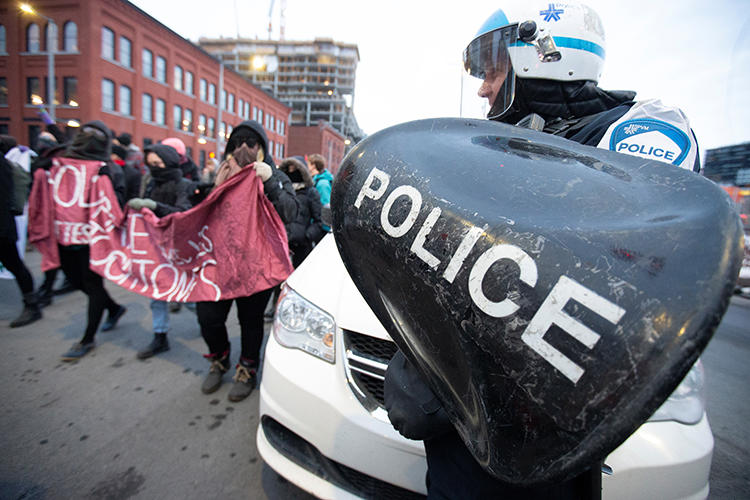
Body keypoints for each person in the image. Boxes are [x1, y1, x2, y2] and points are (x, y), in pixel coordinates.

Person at [384, 3, 700, 499]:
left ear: (541, 52)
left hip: (538, 426)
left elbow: (610, 281)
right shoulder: (494, 147)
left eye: (492, 68)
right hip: (462, 433)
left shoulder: (631, 139)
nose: (484, 86)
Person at [196, 120, 298, 402]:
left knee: (250, 320)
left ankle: (247, 368)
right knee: (208, 318)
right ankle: (219, 358)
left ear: (262, 148)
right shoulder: (222, 174)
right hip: (219, 263)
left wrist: (271, 181)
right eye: (238, 142)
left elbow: (290, 212)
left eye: (251, 143)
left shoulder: (274, 176)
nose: (244, 148)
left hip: (257, 264)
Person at [54, 121, 128, 361]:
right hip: (64, 232)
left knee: (92, 283)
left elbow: (116, 204)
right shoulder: (60, 163)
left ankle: (87, 339)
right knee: (74, 279)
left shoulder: (108, 170)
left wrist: (105, 185)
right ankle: (114, 308)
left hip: (93, 238)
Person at [128, 144, 196, 360]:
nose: (154, 168)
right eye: (151, 164)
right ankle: (160, 336)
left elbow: (183, 212)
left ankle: (208, 318)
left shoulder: (183, 185)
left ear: (169, 162)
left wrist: (154, 206)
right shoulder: (150, 182)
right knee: (156, 293)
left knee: (186, 294)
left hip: (178, 247)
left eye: (158, 164)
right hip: (154, 247)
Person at [0, 135, 42, 328]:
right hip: (5, 226)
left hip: (3, 228)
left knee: (15, 265)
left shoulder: (4, 166)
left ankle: (32, 306)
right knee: (15, 265)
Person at [278, 157, 325, 267]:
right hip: (282, 244)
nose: (292, 172)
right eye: (289, 169)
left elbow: (319, 220)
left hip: (302, 247)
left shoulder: (311, 192)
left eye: (295, 169)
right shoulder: (281, 192)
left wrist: (307, 235)